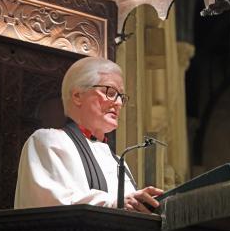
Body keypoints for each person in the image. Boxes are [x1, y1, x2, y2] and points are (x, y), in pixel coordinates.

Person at [14, 56, 163, 212]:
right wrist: (114, 204)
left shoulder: (118, 162)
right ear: (77, 95)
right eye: (110, 92)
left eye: (121, 96)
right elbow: (52, 203)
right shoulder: (49, 141)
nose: (118, 103)